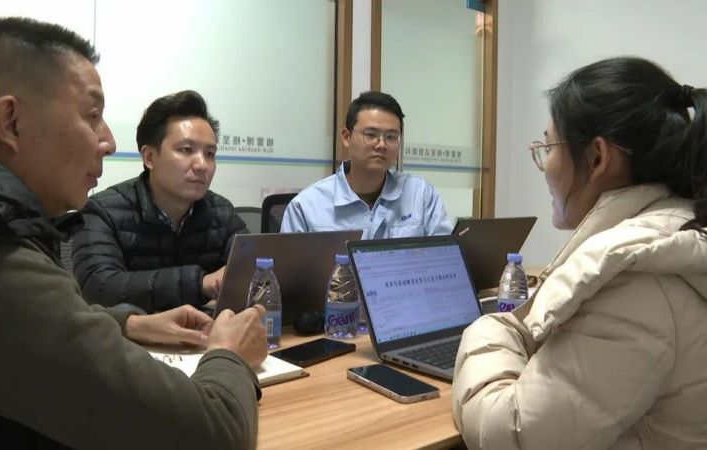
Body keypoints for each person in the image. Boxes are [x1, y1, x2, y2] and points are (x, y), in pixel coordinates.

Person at [0, 17, 267, 449]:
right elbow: (215, 434)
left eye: (210, 153)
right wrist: (230, 353)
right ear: (11, 122)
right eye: (92, 115)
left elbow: (48, 321)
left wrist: (130, 322)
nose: (109, 141)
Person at [452, 57, 707, 449]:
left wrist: (489, 328)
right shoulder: (680, 231)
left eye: (548, 146)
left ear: (598, 158)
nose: (544, 166)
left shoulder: (636, 281)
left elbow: (509, 433)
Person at [73, 90, 246, 312]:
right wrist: (200, 283)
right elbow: (100, 288)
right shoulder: (103, 211)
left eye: (210, 154)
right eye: (187, 150)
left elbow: (255, 266)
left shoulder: (221, 212)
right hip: (134, 333)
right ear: (150, 158)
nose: (202, 165)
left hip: (205, 331)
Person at [280, 91, 452, 239]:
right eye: (370, 135)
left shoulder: (420, 194)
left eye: (391, 137)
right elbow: (289, 267)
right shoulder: (306, 206)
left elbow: (447, 257)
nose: (381, 144)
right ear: (346, 137)